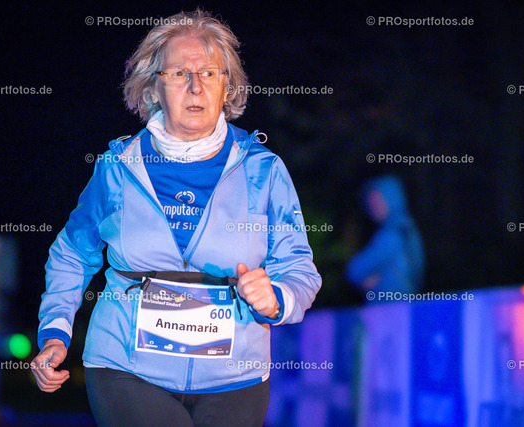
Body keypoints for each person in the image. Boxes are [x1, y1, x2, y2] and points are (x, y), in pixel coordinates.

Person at [30, 9, 321, 427]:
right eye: (180, 73)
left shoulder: (264, 171)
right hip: (125, 366)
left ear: (227, 86)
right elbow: (72, 255)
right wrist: (55, 332)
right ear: (153, 87)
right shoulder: (118, 168)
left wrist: (276, 297)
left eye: (209, 73)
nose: (195, 86)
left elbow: (299, 269)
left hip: (235, 376)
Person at [346, 175, 425, 296]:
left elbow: (354, 271)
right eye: (371, 204)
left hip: (391, 303)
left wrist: (372, 277)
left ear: (392, 199)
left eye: (378, 202)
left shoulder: (392, 234)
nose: (373, 208)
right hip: (403, 299)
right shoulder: (407, 227)